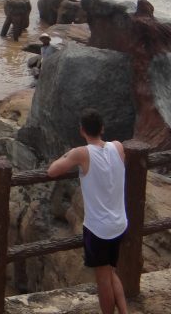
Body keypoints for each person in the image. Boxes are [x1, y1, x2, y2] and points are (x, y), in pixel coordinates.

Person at [47, 109, 128, 314]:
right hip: (119, 222)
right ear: (102, 128)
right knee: (111, 272)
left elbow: (52, 171)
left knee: (103, 279)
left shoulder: (81, 153)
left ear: (82, 131)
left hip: (98, 228)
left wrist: (67, 154)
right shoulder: (118, 147)